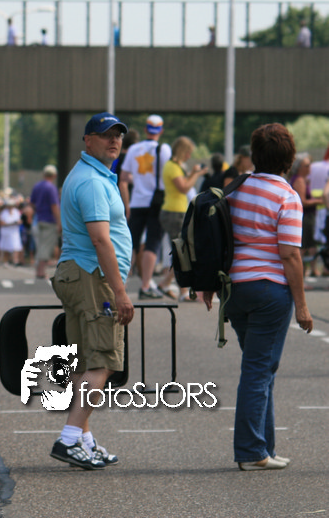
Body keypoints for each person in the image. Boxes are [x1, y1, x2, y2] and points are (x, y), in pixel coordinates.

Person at [203, 123, 313, 470]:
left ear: (254, 155)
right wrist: (302, 306)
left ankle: (265, 448)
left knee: (262, 367)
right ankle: (252, 451)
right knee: (258, 370)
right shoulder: (286, 197)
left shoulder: (237, 188)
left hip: (235, 291)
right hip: (269, 291)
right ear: (289, 159)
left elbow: (218, 238)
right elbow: (290, 255)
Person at [49, 112, 134, 470]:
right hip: (92, 276)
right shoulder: (93, 183)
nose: (114, 141)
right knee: (103, 360)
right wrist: (120, 291)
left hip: (78, 273)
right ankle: (69, 438)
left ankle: (83, 439)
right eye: (105, 135)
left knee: (85, 363)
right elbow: (100, 239)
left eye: (118, 135)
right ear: (87, 140)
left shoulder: (90, 176)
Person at [119, 114, 171, 299]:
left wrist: (128, 203)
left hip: (137, 202)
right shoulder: (164, 149)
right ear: (161, 131)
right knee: (152, 243)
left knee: (130, 244)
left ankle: (121, 285)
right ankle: (146, 285)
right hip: (157, 202)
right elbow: (169, 175)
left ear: (145, 130)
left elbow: (123, 178)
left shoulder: (134, 149)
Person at [156, 137, 209, 299]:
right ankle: (181, 289)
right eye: (188, 152)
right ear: (181, 151)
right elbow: (184, 187)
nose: (189, 156)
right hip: (173, 213)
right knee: (181, 252)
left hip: (175, 211)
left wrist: (193, 173)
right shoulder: (172, 167)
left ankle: (168, 284)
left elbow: (184, 182)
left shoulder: (175, 166)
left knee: (181, 252)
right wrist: (197, 175)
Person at [287, 154, 321, 278]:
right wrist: (320, 201)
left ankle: (308, 270)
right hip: (305, 217)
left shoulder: (301, 179)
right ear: (299, 167)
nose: (309, 167)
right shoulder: (299, 180)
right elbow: (303, 202)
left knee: (308, 244)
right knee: (305, 245)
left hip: (305, 216)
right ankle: (302, 272)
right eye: (306, 165)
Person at [31, 164, 61, 279]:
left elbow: (32, 203)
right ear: (54, 175)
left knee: (40, 245)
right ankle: (41, 271)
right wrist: (59, 221)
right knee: (46, 246)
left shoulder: (37, 186)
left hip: (39, 219)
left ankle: (39, 270)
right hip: (49, 220)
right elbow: (54, 206)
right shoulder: (51, 188)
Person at [0, 199, 23, 265]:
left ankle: (15, 261)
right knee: (6, 247)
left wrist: (17, 222)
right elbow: (1, 223)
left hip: (14, 232)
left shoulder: (16, 212)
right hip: (6, 232)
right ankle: (5, 261)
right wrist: (11, 224)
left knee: (16, 247)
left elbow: (19, 221)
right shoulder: (3, 213)